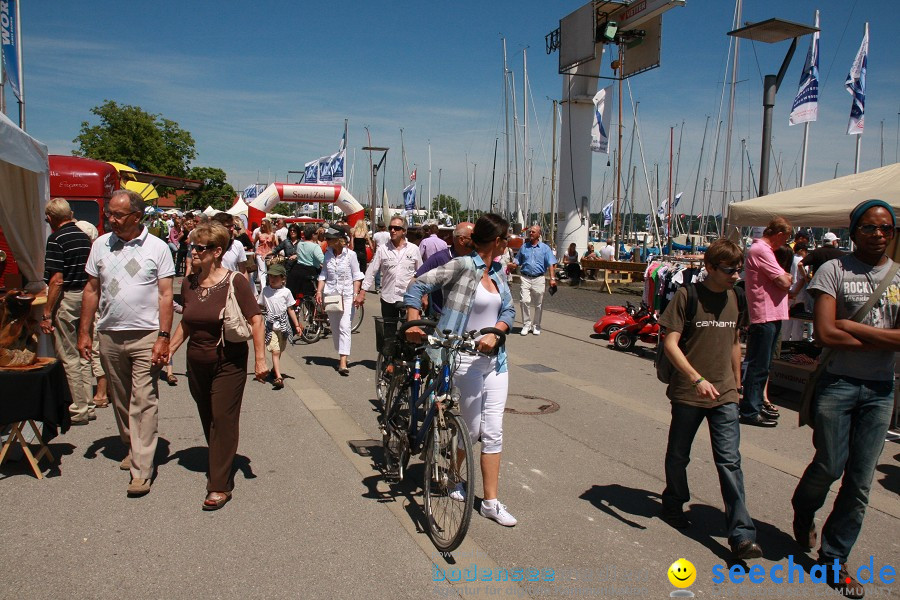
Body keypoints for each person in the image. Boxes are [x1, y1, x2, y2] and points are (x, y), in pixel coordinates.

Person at [791, 200, 900, 599]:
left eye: (886, 228)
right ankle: (804, 509)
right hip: (837, 383)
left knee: (860, 482)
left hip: (880, 391)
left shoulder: (899, 276)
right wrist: (876, 338)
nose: (878, 235)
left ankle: (835, 558)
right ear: (854, 232)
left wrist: (851, 325)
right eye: (869, 228)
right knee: (829, 465)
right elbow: (824, 334)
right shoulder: (832, 270)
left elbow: (845, 330)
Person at [404, 213, 517, 527]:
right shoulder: (464, 266)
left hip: (496, 361)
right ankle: (454, 478)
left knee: (493, 432)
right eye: (506, 239)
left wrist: (497, 331)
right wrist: (413, 319)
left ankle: (491, 503)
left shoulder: (499, 271)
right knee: (473, 429)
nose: (509, 244)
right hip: (463, 359)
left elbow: (508, 308)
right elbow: (417, 285)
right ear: (496, 241)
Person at [658, 238, 762, 560]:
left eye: (738, 269)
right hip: (690, 392)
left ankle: (742, 535)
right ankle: (674, 502)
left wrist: (737, 383)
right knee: (679, 455)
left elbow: (733, 341)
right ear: (710, 267)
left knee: (730, 462)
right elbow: (670, 344)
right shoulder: (687, 296)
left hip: (725, 393)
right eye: (730, 269)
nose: (736, 275)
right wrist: (696, 378)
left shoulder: (735, 297)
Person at [77, 189, 174, 497]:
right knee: (120, 397)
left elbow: (165, 295)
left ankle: (142, 469)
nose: (111, 219)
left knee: (144, 399)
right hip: (109, 333)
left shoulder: (158, 248)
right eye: (110, 214)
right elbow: (91, 289)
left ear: (137, 216)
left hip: (146, 334)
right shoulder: (100, 245)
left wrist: (163, 336)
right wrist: (84, 331)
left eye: (118, 215)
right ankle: (132, 444)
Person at [168, 222, 268, 510]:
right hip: (196, 361)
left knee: (223, 418)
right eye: (193, 247)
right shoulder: (189, 283)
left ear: (217, 251)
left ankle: (219, 484)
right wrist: (169, 349)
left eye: (200, 248)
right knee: (207, 415)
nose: (194, 252)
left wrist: (260, 358)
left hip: (229, 361)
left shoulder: (234, 281)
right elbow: (187, 321)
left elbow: (256, 320)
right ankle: (220, 458)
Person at [41, 198, 96, 425]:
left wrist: (46, 311)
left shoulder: (57, 238)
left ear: (51, 218)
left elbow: (56, 280)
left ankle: (79, 407)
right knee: (83, 351)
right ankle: (88, 404)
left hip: (69, 298)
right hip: (86, 296)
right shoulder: (83, 236)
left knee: (69, 354)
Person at [739, 218, 793, 428]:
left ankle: (755, 403)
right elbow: (784, 281)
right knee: (759, 364)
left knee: (763, 363)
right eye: (786, 237)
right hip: (765, 314)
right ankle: (751, 408)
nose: (786, 242)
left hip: (770, 313)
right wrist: (786, 277)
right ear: (778, 233)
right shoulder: (762, 250)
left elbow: (783, 280)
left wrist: (785, 278)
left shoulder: (762, 250)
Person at [357, 216, 423, 362]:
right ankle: (389, 362)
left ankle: (406, 362)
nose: (392, 230)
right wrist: (362, 292)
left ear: (404, 231)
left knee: (409, 331)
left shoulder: (414, 249)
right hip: (388, 297)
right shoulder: (382, 249)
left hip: (408, 298)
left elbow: (421, 274)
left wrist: (424, 296)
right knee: (389, 333)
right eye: (391, 227)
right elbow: (372, 271)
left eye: (397, 228)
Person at [318, 226, 364, 375]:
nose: (327, 240)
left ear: (338, 240)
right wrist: (319, 291)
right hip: (331, 295)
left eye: (330, 238)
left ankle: (343, 361)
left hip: (347, 295)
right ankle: (341, 353)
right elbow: (324, 273)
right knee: (336, 328)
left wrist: (356, 293)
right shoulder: (328, 255)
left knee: (345, 327)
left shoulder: (351, 255)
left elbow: (357, 275)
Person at [415, 222, 474, 316]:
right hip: (440, 317)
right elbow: (416, 281)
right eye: (475, 237)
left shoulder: (477, 260)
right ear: (461, 240)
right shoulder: (439, 257)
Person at [257, 262, 300, 389]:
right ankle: (278, 377)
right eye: (270, 277)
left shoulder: (286, 292)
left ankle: (274, 370)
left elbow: (290, 309)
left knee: (280, 349)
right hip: (270, 325)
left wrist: (297, 325)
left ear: (283, 279)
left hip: (283, 325)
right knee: (275, 351)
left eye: (276, 277)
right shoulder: (265, 291)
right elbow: (259, 305)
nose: (272, 279)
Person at [512, 225, 556, 336]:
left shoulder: (545, 248)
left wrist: (552, 279)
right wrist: (510, 265)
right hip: (525, 277)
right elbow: (517, 261)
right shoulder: (524, 247)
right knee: (524, 301)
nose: (530, 233)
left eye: (533, 232)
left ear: (539, 234)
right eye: (530, 231)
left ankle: (536, 325)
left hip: (539, 278)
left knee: (538, 304)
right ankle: (526, 324)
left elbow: (551, 263)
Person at [212, 212, 248, 278]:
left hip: (230, 286)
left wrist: (246, 287)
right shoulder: (207, 245)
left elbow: (243, 271)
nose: (232, 229)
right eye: (228, 226)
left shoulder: (237, 245)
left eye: (232, 226)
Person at [253, 219, 276, 289]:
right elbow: (254, 242)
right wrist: (255, 252)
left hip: (269, 254)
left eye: (264, 225)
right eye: (261, 224)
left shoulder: (272, 235)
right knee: (262, 271)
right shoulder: (259, 234)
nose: (262, 226)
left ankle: (269, 286)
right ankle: (263, 288)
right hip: (260, 253)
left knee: (269, 271)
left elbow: (274, 245)